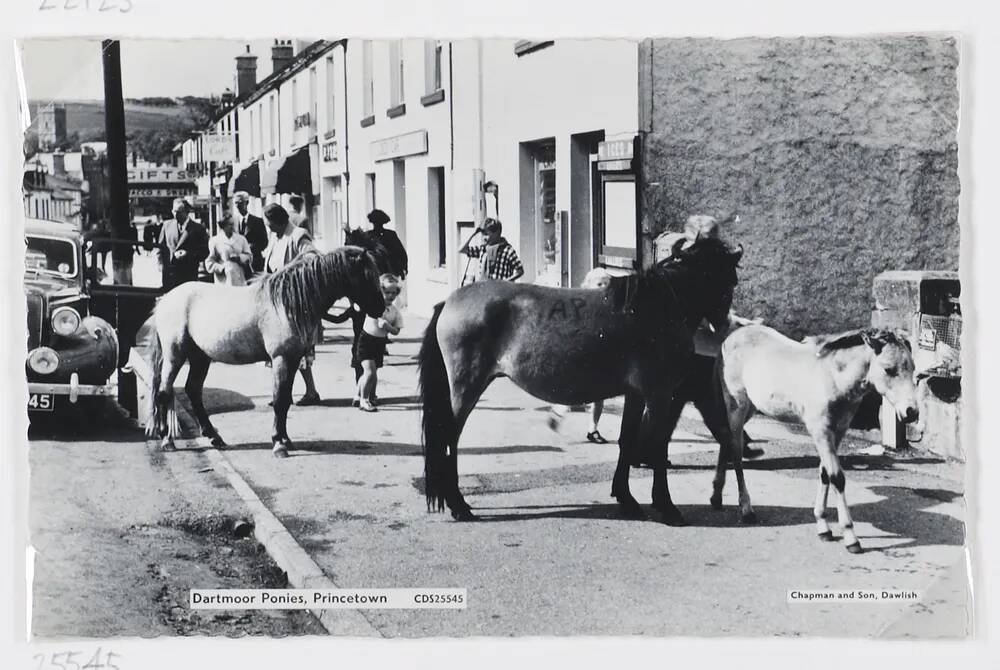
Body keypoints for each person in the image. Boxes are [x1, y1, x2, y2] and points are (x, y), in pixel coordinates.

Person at [658, 213, 764, 463]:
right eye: (711, 239)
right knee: (693, 398)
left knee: (695, 399)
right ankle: (734, 444)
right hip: (685, 344)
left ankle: (734, 444)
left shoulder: (688, 263)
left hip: (690, 345)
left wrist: (737, 323)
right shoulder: (685, 267)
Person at [263, 203, 322, 406]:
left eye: (270, 224)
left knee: (298, 350)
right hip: (276, 301)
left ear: (280, 221)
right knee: (278, 349)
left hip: (295, 301)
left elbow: (312, 259)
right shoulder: (276, 237)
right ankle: (282, 392)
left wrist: (288, 274)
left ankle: (310, 391)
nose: (269, 228)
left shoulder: (298, 235)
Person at [548, 267, 614, 443]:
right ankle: (560, 409)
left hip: (602, 354)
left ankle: (593, 429)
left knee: (599, 394)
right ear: (588, 286)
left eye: (606, 284)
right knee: (575, 386)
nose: (603, 287)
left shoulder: (609, 304)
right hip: (585, 353)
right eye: (599, 284)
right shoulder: (583, 304)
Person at [355, 274, 403, 412]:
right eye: (387, 292)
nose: (390, 296)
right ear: (381, 291)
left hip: (379, 343)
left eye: (394, 293)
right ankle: (364, 400)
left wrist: (389, 327)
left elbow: (396, 331)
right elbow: (359, 305)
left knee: (372, 372)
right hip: (366, 340)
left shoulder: (395, 312)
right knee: (369, 372)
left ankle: (359, 395)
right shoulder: (373, 304)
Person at [157, 198, 209, 291]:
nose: (175, 214)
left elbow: (204, 252)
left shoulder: (198, 228)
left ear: (187, 212)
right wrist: (160, 264)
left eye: (179, 212)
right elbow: (160, 248)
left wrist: (188, 254)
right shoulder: (166, 225)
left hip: (188, 275)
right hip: (170, 274)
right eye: (174, 211)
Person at [343, 208, 408, 279]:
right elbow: (353, 248)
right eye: (376, 222)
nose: (377, 224)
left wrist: (403, 268)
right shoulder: (368, 235)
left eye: (379, 222)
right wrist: (348, 234)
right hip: (374, 269)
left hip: (388, 269)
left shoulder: (389, 235)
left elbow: (400, 252)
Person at [459, 217, 524, 282]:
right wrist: (473, 233)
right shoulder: (483, 249)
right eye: (483, 235)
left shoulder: (507, 250)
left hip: (501, 290)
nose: (484, 238)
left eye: (487, 234)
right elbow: (462, 249)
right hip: (485, 288)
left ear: (497, 233)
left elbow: (520, 271)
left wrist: (505, 282)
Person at [205, 216, 253, 286]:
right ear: (223, 226)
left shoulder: (241, 239)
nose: (232, 227)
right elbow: (209, 263)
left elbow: (250, 256)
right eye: (229, 224)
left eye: (233, 224)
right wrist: (222, 268)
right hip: (224, 280)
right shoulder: (214, 241)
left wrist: (239, 258)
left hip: (240, 278)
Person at [232, 191, 269, 274]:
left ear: (247, 202)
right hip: (238, 264)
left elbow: (264, 242)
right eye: (236, 203)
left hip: (254, 262)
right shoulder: (232, 222)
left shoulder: (257, 221)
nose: (238, 206)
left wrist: (250, 247)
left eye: (240, 203)